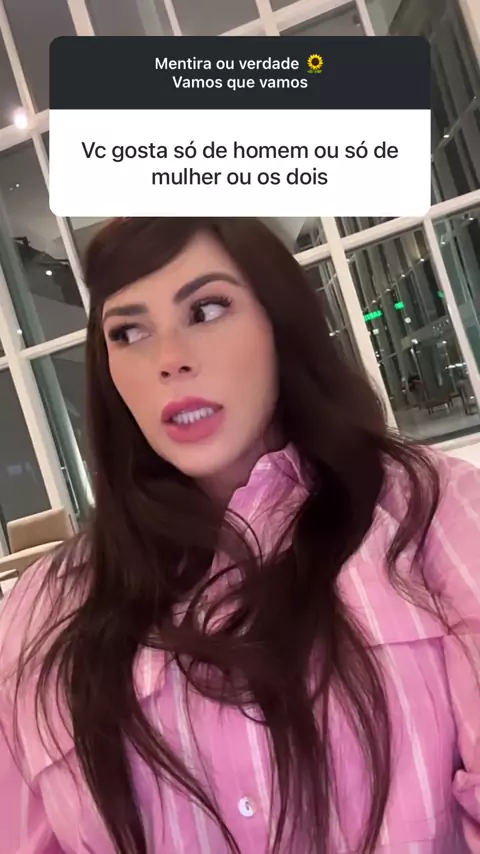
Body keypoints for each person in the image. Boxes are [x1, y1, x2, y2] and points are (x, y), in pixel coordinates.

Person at [0, 216, 479, 854]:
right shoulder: (41, 612)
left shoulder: (436, 515)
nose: (169, 360)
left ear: (279, 323)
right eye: (129, 331)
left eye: (206, 309)